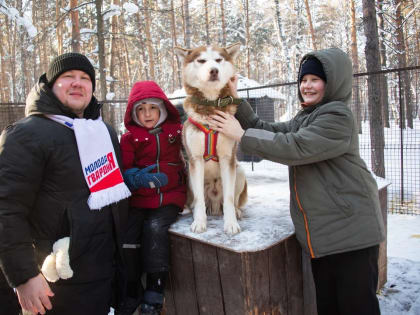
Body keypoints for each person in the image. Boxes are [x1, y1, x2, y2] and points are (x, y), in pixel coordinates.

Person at [209, 48, 385, 315]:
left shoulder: (337, 116)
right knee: (330, 308)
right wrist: (233, 99)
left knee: (356, 308)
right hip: (325, 237)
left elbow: (294, 147)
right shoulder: (306, 117)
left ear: (333, 81)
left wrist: (242, 136)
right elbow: (266, 129)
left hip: (352, 235)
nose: (307, 85)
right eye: (303, 80)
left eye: (315, 79)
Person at [0, 52, 130, 315]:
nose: (77, 83)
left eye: (85, 78)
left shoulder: (102, 132)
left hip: (98, 275)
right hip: (50, 279)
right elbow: (6, 210)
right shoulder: (25, 134)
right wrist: (24, 276)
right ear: (51, 85)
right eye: (67, 77)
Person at [119, 81, 187, 315]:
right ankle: (130, 285)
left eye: (152, 108)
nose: (147, 114)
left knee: (154, 227)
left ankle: (155, 288)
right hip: (139, 198)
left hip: (170, 196)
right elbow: (124, 169)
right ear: (133, 113)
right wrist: (135, 177)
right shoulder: (129, 139)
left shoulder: (176, 132)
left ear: (163, 109)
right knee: (128, 234)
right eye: (141, 109)